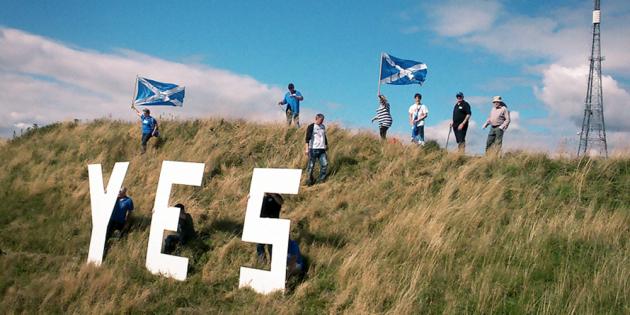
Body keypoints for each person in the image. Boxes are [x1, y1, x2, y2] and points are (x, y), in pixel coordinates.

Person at [256, 193, 284, 263]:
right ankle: (262, 262)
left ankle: (273, 263)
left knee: (271, 246)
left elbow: (281, 202)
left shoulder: (276, 195)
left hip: (273, 224)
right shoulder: (260, 195)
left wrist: (273, 194)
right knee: (260, 245)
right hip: (261, 224)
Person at [305, 113, 328, 185]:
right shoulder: (311, 126)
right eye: (320, 120)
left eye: (322, 120)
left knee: (325, 164)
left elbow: (324, 136)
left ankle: (321, 179)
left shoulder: (323, 127)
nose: (321, 122)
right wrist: (307, 149)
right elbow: (307, 138)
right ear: (316, 118)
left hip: (322, 149)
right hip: (313, 149)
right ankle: (309, 181)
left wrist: (326, 144)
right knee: (311, 166)